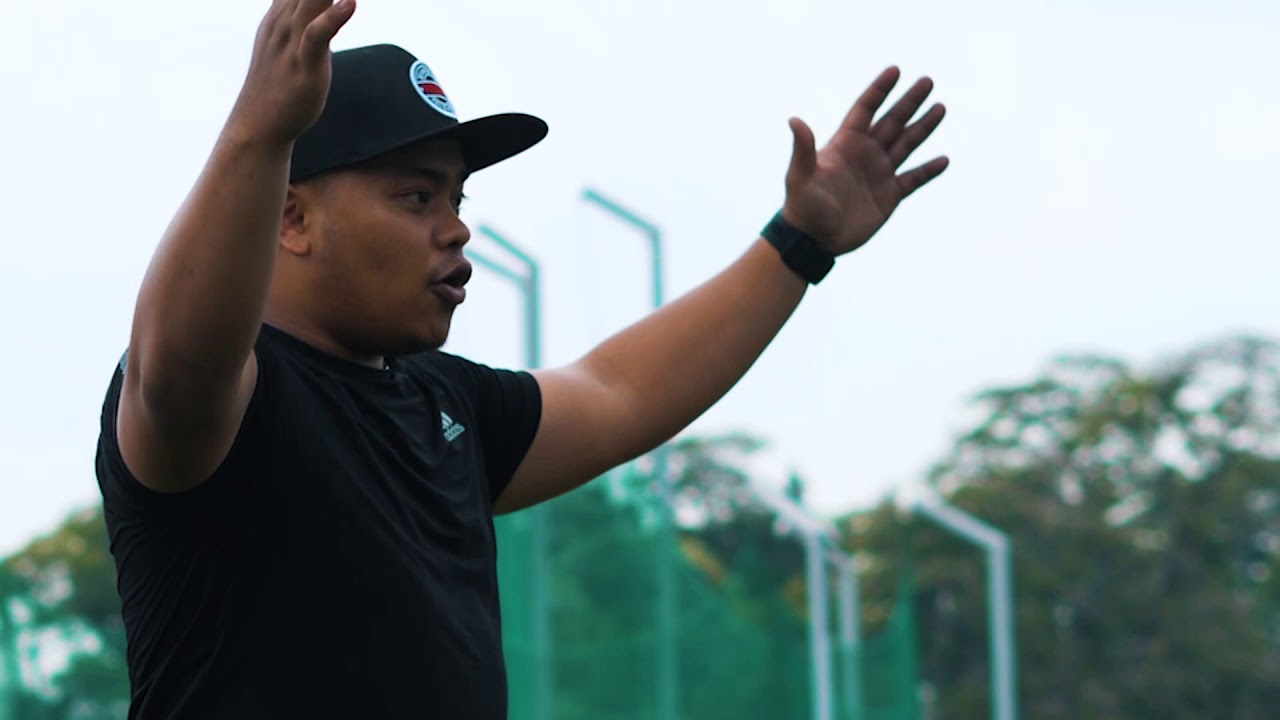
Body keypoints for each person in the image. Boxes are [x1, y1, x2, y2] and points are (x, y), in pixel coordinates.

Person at [94, 0, 949, 718]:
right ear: (291, 218)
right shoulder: (225, 401)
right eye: (416, 195)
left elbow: (617, 390)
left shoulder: (446, 406)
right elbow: (179, 360)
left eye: (458, 197)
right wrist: (259, 131)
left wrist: (799, 243)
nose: (456, 228)